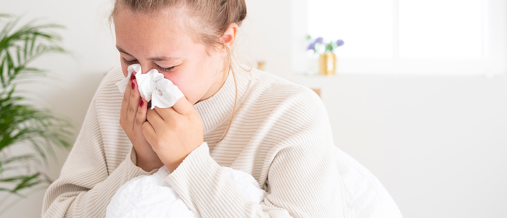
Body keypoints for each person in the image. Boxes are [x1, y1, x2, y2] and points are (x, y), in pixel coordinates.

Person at [42, 0, 345, 217]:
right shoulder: (114, 93)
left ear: (224, 42)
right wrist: (141, 165)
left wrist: (187, 163)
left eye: (166, 65)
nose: (143, 79)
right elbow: (59, 212)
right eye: (129, 60)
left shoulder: (291, 112)